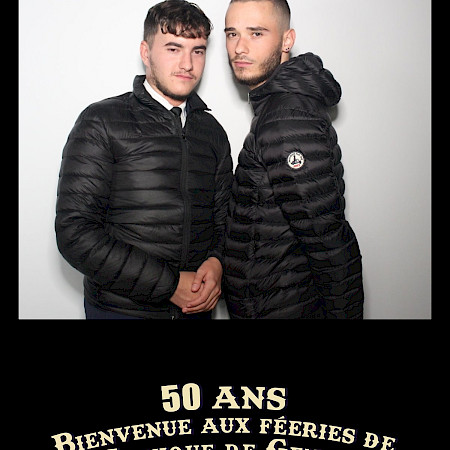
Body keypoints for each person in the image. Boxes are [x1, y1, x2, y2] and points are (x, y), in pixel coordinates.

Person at [55, 0, 233, 319]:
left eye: (198, 51)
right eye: (173, 48)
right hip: (121, 311)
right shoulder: (101, 121)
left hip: (196, 312)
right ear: (146, 52)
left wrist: (217, 262)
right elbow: (75, 233)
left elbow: (225, 221)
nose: (187, 64)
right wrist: (169, 285)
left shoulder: (213, 132)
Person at [223, 0, 364, 319]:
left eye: (256, 33)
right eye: (232, 34)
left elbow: (328, 243)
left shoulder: (285, 119)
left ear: (287, 40)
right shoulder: (277, 109)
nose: (239, 47)